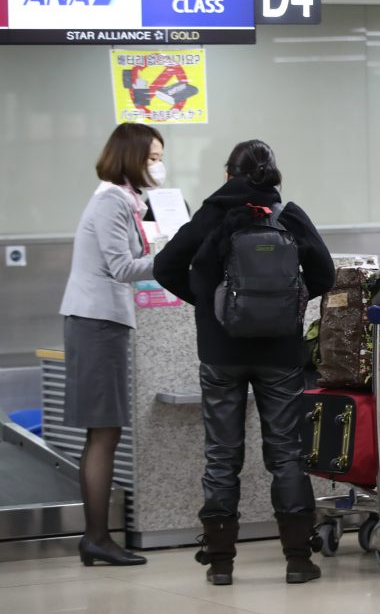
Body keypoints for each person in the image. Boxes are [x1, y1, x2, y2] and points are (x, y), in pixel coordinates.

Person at [153, 140, 334, 586]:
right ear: (273, 174)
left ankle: (219, 563)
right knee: (287, 455)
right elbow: (325, 276)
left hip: (221, 354)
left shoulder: (210, 218)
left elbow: (165, 267)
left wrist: (208, 306)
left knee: (221, 456)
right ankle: (298, 559)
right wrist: (287, 305)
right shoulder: (288, 216)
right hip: (281, 354)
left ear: (227, 173)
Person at [60, 122, 164, 567]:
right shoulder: (110, 203)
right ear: (132, 157)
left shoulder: (125, 200)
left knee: (107, 430)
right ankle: (97, 537)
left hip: (103, 321)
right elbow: (121, 267)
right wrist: (172, 258)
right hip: (95, 321)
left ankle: (97, 537)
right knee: (103, 431)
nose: (158, 165)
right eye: (153, 157)